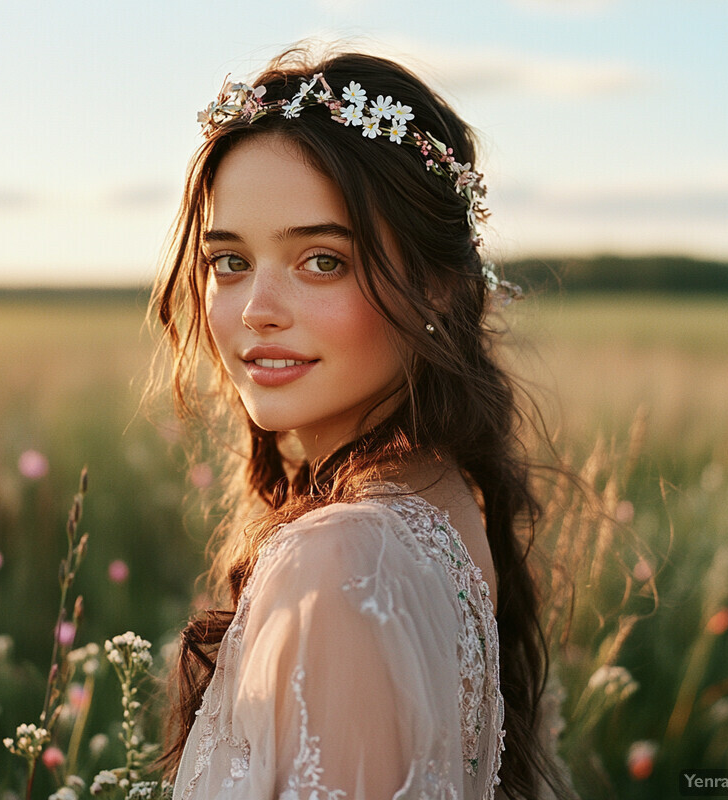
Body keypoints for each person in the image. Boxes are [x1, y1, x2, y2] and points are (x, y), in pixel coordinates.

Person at [149, 40, 578, 800]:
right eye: (229, 261)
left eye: (322, 261)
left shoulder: (342, 564)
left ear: (439, 284)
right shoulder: (440, 494)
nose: (256, 311)